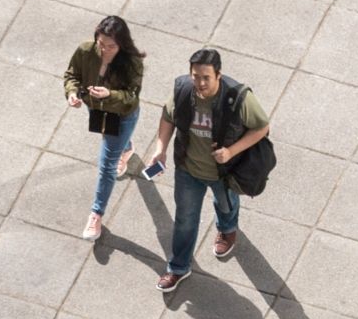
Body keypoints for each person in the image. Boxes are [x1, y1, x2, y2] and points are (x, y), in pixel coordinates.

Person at [152, 47, 271, 292]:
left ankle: (227, 229)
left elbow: (261, 128)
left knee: (226, 204)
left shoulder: (238, 97)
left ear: (218, 75)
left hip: (223, 172)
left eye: (206, 77)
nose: (200, 82)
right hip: (188, 169)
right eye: (196, 76)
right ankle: (178, 267)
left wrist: (231, 151)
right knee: (185, 219)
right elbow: (168, 116)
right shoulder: (184, 90)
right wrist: (160, 148)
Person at [64, 16, 145, 242]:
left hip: (121, 116)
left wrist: (110, 94)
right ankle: (126, 149)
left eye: (112, 46)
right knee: (115, 146)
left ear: (122, 44)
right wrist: (72, 93)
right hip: (96, 110)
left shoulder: (132, 63)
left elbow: (131, 98)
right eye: (101, 44)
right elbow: (72, 75)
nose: (106, 50)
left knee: (107, 166)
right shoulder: (85, 51)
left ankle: (96, 214)